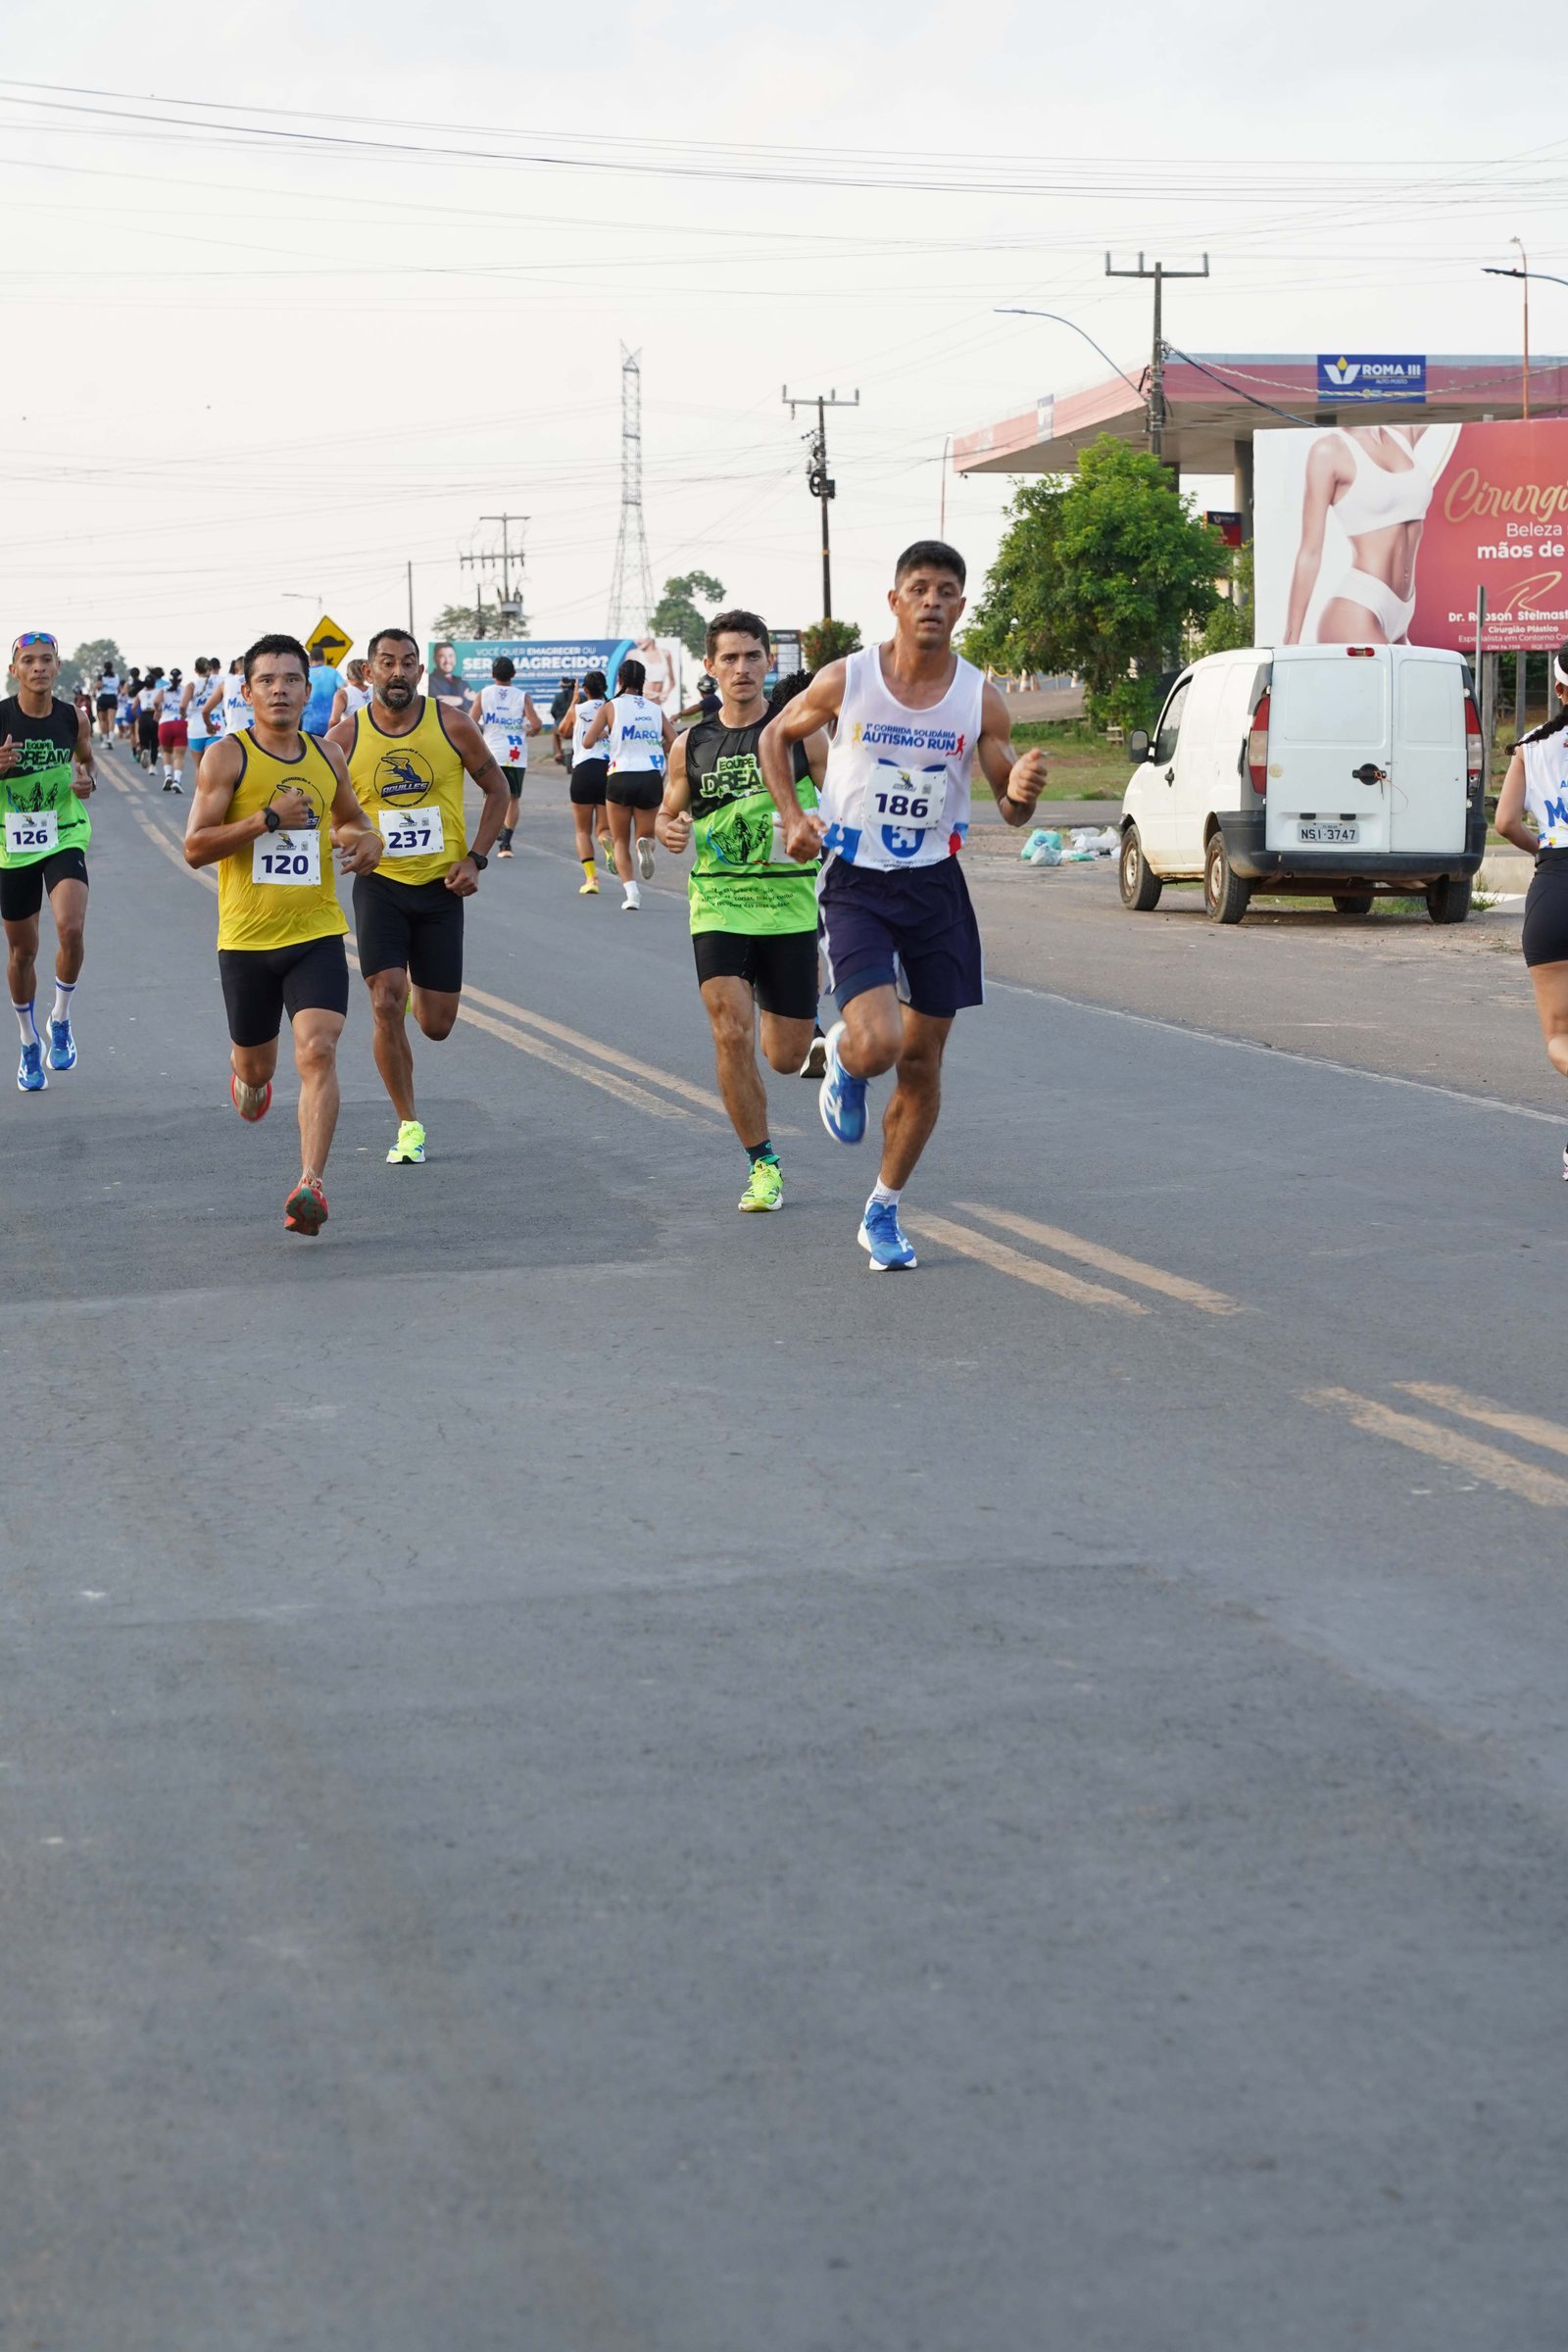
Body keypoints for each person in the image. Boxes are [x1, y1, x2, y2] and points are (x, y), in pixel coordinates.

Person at [759, 539, 1049, 1268]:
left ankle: (882, 1209)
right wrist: (794, 817)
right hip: (857, 879)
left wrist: (1018, 796)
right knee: (882, 1042)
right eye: (918, 588)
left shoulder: (979, 696)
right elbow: (774, 735)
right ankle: (849, 1064)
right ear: (894, 602)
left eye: (946, 589)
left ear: (960, 605)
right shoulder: (848, 678)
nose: (932, 601)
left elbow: (1008, 801)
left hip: (935, 886)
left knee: (921, 1063)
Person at [183, 632, 383, 1235]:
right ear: (247, 692)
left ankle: (311, 1186)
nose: (279, 690)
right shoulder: (227, 756)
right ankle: (246, 1077)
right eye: (267, 680)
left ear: (307, 688)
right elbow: (195, 847)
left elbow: (352, 820)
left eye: (291, 679)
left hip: (317, 930)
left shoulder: (328, 756)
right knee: (260, 1071)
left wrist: (368, 840)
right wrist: (268, 819)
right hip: (246, 938)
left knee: (318, 1050)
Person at [656, 612, 828, 1212]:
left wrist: (817, 828)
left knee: (783, 1057)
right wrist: (668, 830)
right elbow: (666, 813)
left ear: (768, 663)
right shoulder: (690, 744)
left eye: (752, 656)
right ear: (710, 668)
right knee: (730, 1030)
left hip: (789, 908)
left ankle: (807, 992)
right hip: (720, 904)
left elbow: (839, 815)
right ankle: (763, 1165)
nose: (742, 668)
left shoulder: (803, 736)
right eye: (729, 658)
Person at [330, 625, 508, 1166]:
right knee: (385, 1001)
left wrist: (476, 858)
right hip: (380, 886)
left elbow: (497, 788)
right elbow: (329, 816)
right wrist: (356, 838)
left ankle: (411, 994)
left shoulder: (452, 724)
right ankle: (408, 1123)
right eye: (387, 663)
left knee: (435, 1025)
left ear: (420, 672)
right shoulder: (343, 739)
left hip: (439, 888)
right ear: (368, 672)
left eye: (408, 663)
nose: (398, 672)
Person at [1, 630, 96, 1091]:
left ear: (58, 667)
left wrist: (87, 782)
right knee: (23, 952)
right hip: (11, 843)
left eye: (46, 660)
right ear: (14, 670)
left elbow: (87, 762)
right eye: (29, 661)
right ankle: (27, 1041)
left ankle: (60, 1017)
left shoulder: (72, 718)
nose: (38, 667)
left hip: (63, 833)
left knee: (71, 929)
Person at [1495, 642, 1568, 1178]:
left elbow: (1504, 824)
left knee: (1560, 1037)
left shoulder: (1530, 747)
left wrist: (1542, 849)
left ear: (1559, 689)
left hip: (1555, 893)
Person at [1283, 423, 1437, 647]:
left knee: (1415, 682)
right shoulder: (1329, 450)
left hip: (1403, 610)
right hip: (1358, 608)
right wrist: (1289, 642)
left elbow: (1450, 396)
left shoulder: (1403, 434)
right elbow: (1310, 551)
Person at [580, 657, 673, 912]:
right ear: (642, 681)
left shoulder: (611, 707)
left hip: (620, 776)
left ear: (619, 680)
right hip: (650, 776)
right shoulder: (655, 708)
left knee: (620, 841)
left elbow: (587, 742)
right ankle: (646, 847)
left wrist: (607, 732)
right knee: (645, 835)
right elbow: (673, 741)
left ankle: (632, 894)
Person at [469, 654, 541, 858]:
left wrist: (484, 732)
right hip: (515, 753)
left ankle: (495, 828)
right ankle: (507, 844)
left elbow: (471, 721)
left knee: (491, 794)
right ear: (514, 674)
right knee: (513, 798)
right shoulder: (522, 696)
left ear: (492, 674)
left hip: (491, 753)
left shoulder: (484, 694)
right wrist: (527, 731)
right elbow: (536, 725)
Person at [561, 669, 611, 894]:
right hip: (608, 770)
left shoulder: (578, 709)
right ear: (605, 688)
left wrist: (573, 702)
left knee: (582, 830)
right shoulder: (613, 709)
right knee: (603, 828)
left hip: (583, 769)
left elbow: (562, 731)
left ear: (585, 690)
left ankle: (591, 879)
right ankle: (607, 846)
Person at [155, 664, 186, 791]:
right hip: (179, 723)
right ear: (180, 679)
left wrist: (159, 710)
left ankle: (168, 775)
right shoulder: (184, 690)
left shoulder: (163, 689)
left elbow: (156, 702)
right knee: (179, 755)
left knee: (166, 752)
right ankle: (177, 780)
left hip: (165, 724)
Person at [204, 656, 249, 740]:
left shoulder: (225, 683)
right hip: (257, 736)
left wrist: (209, 726)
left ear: (235, 669)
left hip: (233, 735)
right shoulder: (258, 682)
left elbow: (205, 710)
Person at [303, 645, 342, 734]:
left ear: (310, 659)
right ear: (324, 658)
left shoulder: (306, 674)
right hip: (330, 725)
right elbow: (344, 688)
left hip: (309, 724)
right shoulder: (333, 672)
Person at [329, 658, 370, 728]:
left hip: (354, 736)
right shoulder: (376, 691)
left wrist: (329, 736)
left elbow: (334, 721)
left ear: (348, 676)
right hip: (377, 736)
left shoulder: (342, 694)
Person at [135, 668, 163, 770]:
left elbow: (134, 707)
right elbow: (160, 704)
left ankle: (144, 750)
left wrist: (138, 717)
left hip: (143, 716)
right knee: (155, 743)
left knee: (144, 740)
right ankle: (152, 766)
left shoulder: (140, 693)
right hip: (154, 715)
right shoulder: (159, 691)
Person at [429, 641, 466, 706]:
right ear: (434, 659)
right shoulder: (430, 681)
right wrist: (463, 699)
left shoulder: (461, 681)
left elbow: (473, 701)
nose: (447, 661)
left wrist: (460, 700)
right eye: (442, 656)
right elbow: (437, 703)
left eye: (451, 656)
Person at [549, 674, 574, 765]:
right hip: (575, 725)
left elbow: (552, 711)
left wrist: (558, 719)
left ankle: (558, 752)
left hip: (561, 725)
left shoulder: (558, 696)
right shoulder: (579, 697)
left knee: (554, 731)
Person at [95, 662, 119, 744]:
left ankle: (104, 739)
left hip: (103, 698)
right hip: (112, 698)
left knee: (103, 720)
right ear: (112, 667)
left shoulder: (101, 676)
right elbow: (117, 687)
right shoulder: (116, 676)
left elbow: (98, 686)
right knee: (111, 720)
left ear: (104, 667)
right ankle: (111, 739)